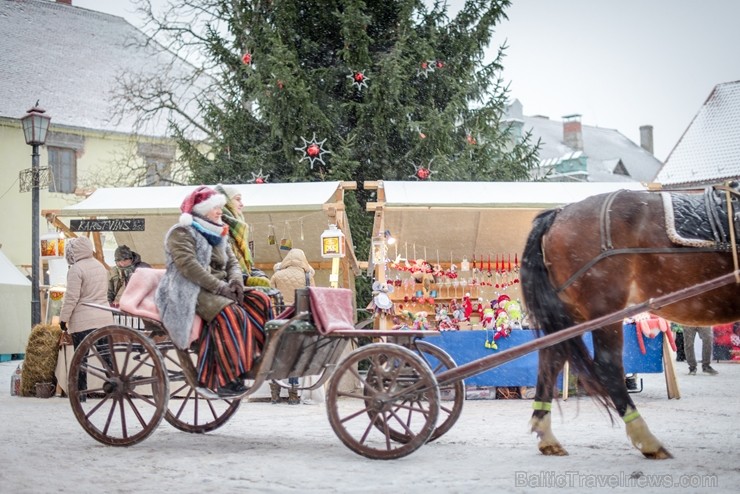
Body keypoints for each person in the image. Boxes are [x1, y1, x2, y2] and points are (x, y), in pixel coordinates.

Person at [155, 186, 273, 396]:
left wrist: (236, 283)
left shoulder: (219, 233)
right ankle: (226, 376)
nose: (220, 211)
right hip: (188, 289)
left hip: (220, 288)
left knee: (259, 299)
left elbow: (233, 263)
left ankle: (256, 354)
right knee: (230, 312)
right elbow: (189, 266)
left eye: (220, 207)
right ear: (201, 210)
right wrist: (220, 288)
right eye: (215, 208)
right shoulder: (181, 232)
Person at [59, 236, 115, 400]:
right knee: (106, 357)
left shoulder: (76, 269)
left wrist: (64, 319)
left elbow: (71, 297)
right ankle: (114, 388)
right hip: (104, 317)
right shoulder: (99, 266)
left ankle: (81, 393)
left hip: (83, 320)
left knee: (81, 359)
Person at [269, 248, 315, 404]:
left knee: (278, 356)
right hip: (299, 321)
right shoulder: (307, 277)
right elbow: (313, 298)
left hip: (279, 321)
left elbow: (270, 299)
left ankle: (275, 393)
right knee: (294, 357)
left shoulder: (277, 275)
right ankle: (293, 394)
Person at [214, 184, 270, 287]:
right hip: (229, 291)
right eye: (237, 199)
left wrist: (261, 276)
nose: (242, 204)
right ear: (226, 202)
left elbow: (249, 267)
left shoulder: (238, 231)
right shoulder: (218, 231)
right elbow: (222, 268)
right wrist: (246, 280)